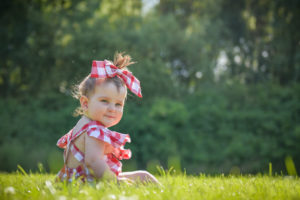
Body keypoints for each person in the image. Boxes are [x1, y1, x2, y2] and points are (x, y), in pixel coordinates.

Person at [56, 53, 159, 185]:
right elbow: (94, 163)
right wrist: (116, 184)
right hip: (82, 183)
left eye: (118, 104)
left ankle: (168, 195)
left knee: (143, 176)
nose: (112, 109)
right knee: (133, 183)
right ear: (85, 103)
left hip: (84, 179)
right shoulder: (93, 130)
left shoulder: (83, 124)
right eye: (104, 101)